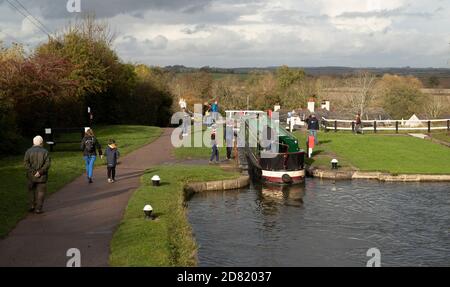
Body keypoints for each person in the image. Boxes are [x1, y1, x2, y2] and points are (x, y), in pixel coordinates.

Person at [24, 135, 51, 214]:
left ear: (33, 142)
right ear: (41, 142)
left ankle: (32, 205)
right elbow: (47, 164)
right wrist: (40, 172)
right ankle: (38, 208)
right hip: (42, 176)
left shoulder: (28, 151)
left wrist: (33, 172)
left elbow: (25, 163)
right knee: (41, 192)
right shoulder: (45, 152)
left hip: (31, 176)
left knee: (31, 190)